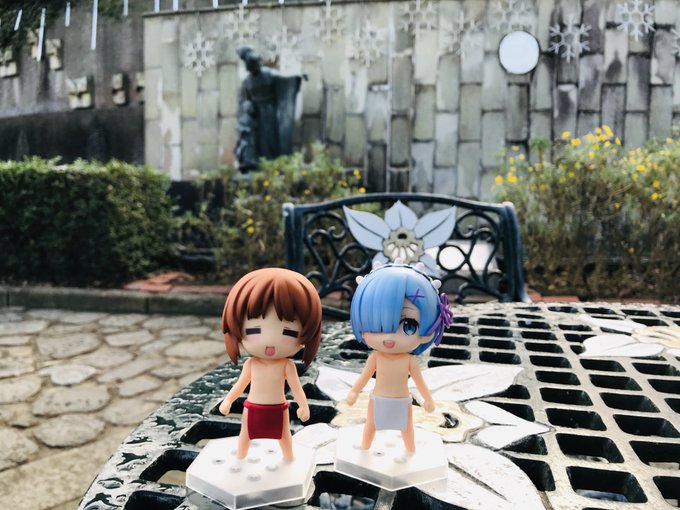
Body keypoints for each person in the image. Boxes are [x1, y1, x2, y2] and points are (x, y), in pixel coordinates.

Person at [346, 262, 454, 452]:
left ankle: (410, 451)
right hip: (378, 399)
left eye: (408, 326)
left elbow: (419, 382)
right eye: (379, 326)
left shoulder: (409, 361)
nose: (389, 337)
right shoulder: (375, 358)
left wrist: (428, 399)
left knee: (406, 428)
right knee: (371, 424)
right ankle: (365, 447)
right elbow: (364, 377)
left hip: (402, 400)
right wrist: (354, 392)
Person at [218, 268, 322, 461]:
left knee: (284, 437)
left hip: (279, 409)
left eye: (289, 333)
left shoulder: (287, 365)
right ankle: (240, 459)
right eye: (254, 330)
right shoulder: (251, 364)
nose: (270, 341)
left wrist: (304, 406)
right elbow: (240, 385)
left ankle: (289, 459)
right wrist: (228, 400)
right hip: (252, 408)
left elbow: (297, 388)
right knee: (245, 435)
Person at [235, 45, 304, 171]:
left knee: (270, 138)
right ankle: (259, 163)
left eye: (256, 65)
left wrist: (298, 77)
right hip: (256, 115)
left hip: (270, 111)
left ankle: (273, 163)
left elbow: (285, 80)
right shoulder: (247, 82)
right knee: (258, 141)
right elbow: (244, 98)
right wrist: (247, 106)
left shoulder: (269, 74)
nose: (255, 68)